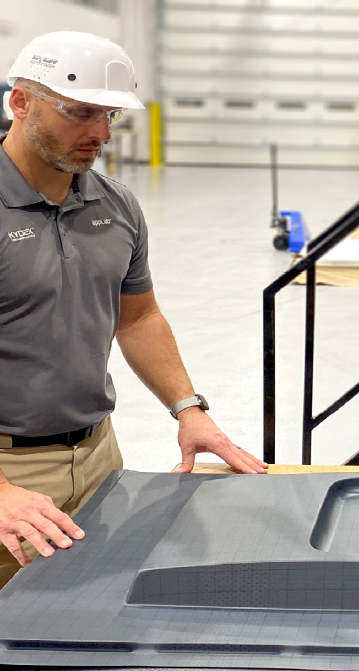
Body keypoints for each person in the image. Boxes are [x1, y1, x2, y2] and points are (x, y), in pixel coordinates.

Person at [0, 32, 267, 589]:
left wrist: (188, 409)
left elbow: (139, 317)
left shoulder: (115, 204)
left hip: (98, 454)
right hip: (7, 474)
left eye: (110, 114)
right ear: (20, 103)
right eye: (79, 112)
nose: (99, 133)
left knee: (81, 626)